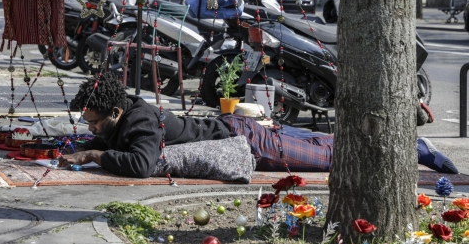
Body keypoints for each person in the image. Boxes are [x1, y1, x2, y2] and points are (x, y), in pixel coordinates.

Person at [59, 73, 459, 178]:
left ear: (114, 112)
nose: (91, 129)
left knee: (329, 157)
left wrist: (95, 153)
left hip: (242, 141)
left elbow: (143, 165)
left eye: (94, 123)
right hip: (236, 129)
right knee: (323, 139)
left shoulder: (139, 123)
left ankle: (414, 150)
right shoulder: (126, 115)